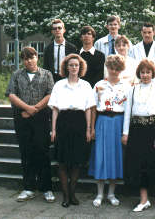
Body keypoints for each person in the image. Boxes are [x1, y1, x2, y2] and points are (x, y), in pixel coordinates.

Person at [5, 47, 55, 203]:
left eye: (31, 57)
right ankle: (28, 188)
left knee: (42, 151)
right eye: (25, 58)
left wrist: (35, 109)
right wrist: (27, 109)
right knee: (26, 152)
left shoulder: (46, 74)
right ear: (23, 60)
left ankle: (46, 188)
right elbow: (11, 95)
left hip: (41, 118)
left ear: (37, 58)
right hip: (22, 117)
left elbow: (50, 94)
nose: (29, 61)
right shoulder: (16, 75)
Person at [48, 54, 95, 207]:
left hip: (80, 122)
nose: (74, 67)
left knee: (77, 161)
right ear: (66, 67)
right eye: (71, 65)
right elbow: (54, 109)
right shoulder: (59, 85)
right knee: (62, 162)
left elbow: (89, 109)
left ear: (80, 67)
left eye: (76, 65)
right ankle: (65, 196)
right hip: (63, 122)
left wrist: (89, 129)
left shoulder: (86, 85)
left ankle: (73, 193)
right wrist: (53, 129)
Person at [122, 59, 155, 212]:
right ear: (139, 73)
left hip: (151, 130)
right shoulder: (132, 89)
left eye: (148, 72)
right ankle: (143, 199)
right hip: (135, 130)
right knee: (137, 164)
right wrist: (125, 133)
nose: (145, 75)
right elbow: (128, 112)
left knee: (149, 164)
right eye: (142, 72)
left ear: (152, 73)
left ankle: (146, 198)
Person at [88, 55, 130, 207]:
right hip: (103, 121)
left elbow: (129, 110)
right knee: (101, 156)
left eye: (117, 68)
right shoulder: (99, 85)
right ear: (107, 67)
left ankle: (111, 193)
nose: (114, 71)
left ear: (121, 69)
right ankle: (99, 194)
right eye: (111, 67)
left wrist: (126, 131)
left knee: (115, 157)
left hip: (119, 122)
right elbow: (93, 109)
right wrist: (91, 128)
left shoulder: (127, 86)